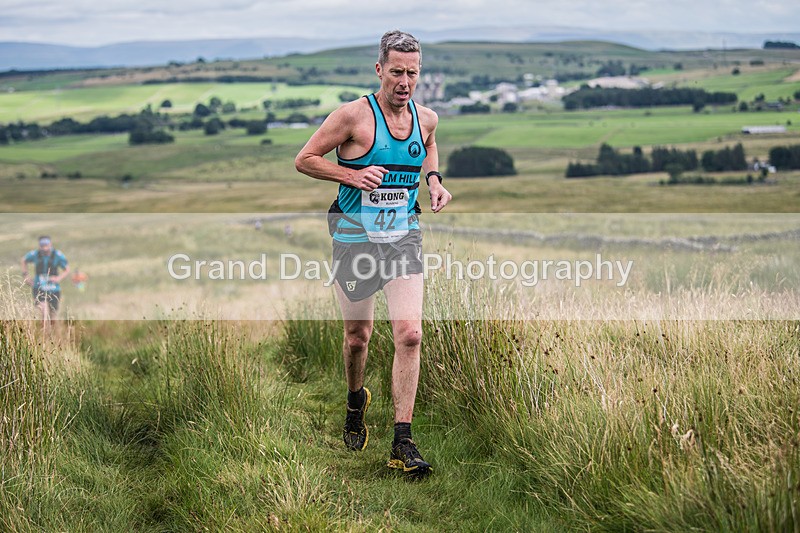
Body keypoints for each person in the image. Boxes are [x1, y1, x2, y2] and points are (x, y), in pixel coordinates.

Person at [295, 30, 452, 476]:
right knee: (357, 337)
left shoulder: (427, 118)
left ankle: (402, 440)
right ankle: (354, 401)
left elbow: (429, 146)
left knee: (410, 333)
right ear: (380, 70)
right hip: (354, 237)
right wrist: (351, 177)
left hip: (403, 235)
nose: (405, 81)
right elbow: (305, 159)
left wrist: (434, 180)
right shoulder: (352, 117)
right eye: (397, 72)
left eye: (413, 73)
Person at [21, 235, 70, 330]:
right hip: (39, 288)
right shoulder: (35, 254)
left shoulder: (57, 255)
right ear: (39, 245)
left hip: (54, 289)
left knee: (53, 314)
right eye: (42, 245)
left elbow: (67, 269)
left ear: (50, 244)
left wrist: (59, 278)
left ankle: (52, 334)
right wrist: (25, 276)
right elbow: (24, 260)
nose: (44, 248)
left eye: (46, 245)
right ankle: (43, 334)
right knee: (43, 311)